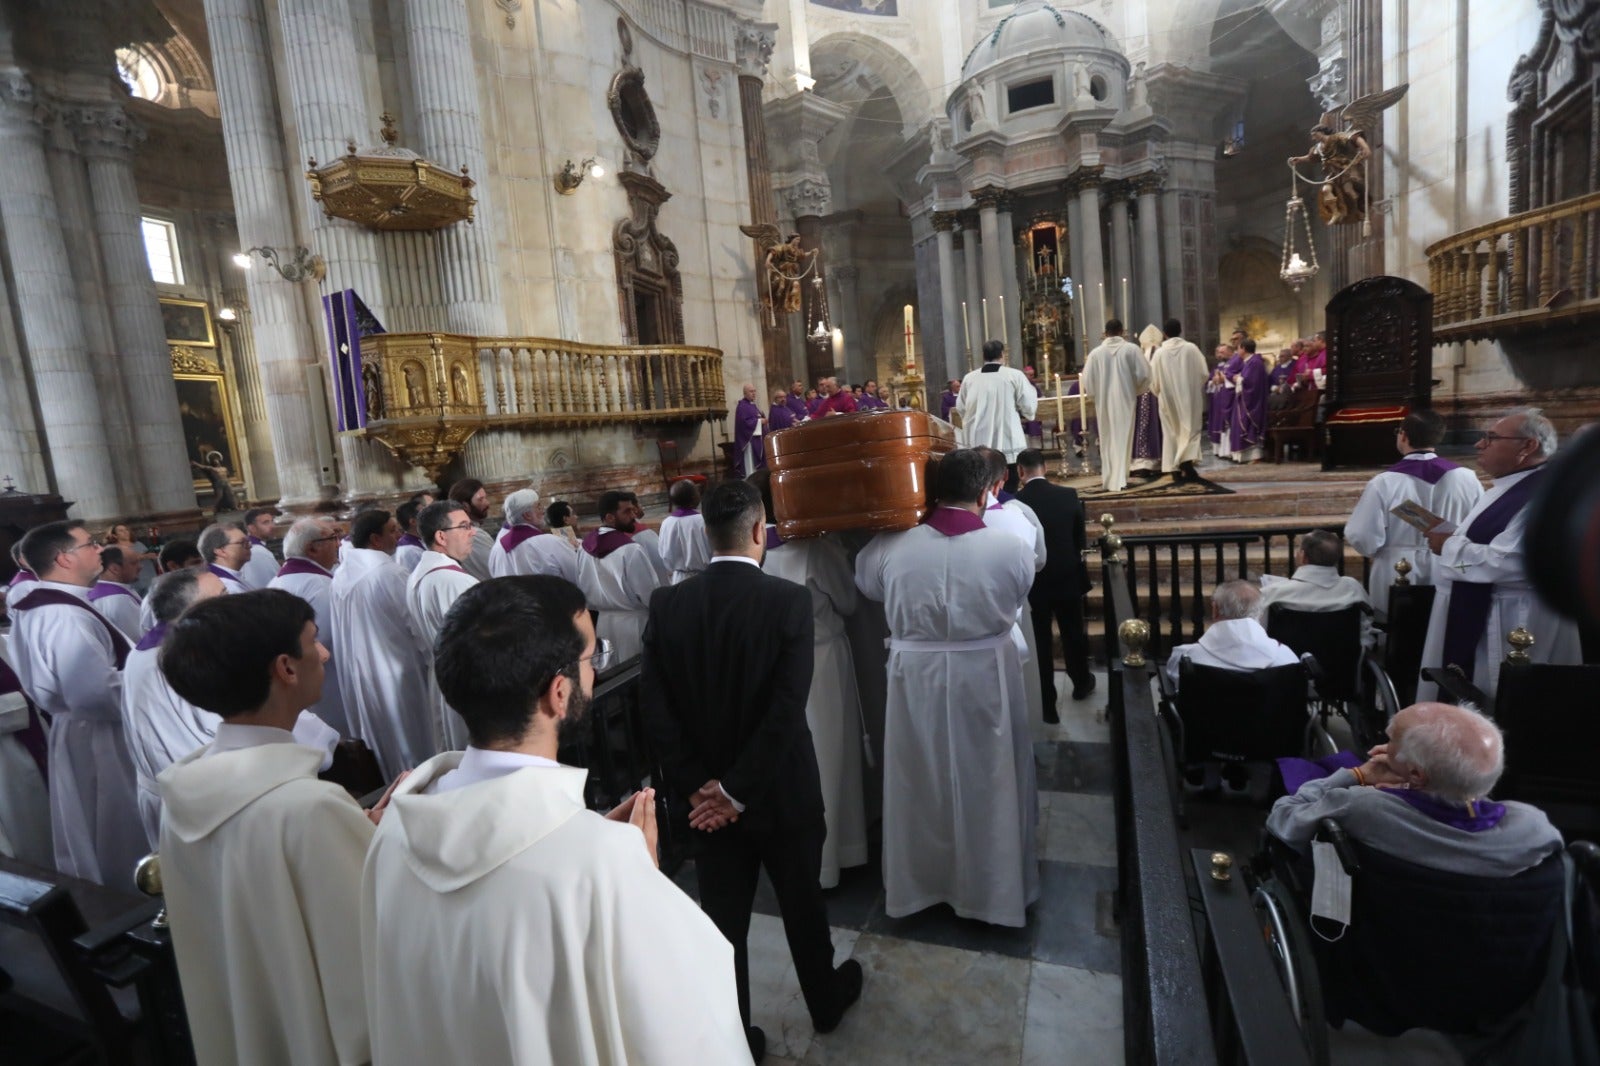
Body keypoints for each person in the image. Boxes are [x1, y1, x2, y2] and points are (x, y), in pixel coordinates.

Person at [364, 576, 749, 1066]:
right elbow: (692, 1027)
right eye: (593, 658)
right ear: (559, 692)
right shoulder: (604, 863)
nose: (596, 671)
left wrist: (588, 842)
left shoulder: (393, 831)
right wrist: (639, 879)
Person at [642, 480, 863, 1059]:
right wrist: (736, 790)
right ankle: (825, 1000)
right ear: (760, 531)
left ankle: (737, 1035)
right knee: (802, 903)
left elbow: (657, 711)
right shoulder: (786, 601)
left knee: (723, 924)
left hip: (702, 804)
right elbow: (786, 710)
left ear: (706, 534)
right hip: (780, 789)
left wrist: (700, 789)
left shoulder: (668, 605)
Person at [157, 589, 390, 1066]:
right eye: (314, 640)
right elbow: (367, 976)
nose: (324, 653)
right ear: (286, 668)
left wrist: (356, 831)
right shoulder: (306, 808)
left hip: (248, 1028)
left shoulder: (190, 787)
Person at [855, 449, 1038, 926]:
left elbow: (868, 586)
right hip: (986, 678)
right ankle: (993, 892)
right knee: (990, 778)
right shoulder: (1012, 548)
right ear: (986, 492)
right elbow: (1018, 596)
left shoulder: (889, 547)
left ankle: (922, 886)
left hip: (917, 680)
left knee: (921, 777)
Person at [124, 568, 339, 847]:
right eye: (223, 596)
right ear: (198, 611)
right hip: (228, 798)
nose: (233, 600)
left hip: (183, 792)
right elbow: (248, 718)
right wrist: (323, 742)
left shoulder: (144, 652)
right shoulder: (203, 658)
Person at [1266, 701, 1562, 876]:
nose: (1383, 746)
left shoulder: (1363, 807)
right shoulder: (1533, 830)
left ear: (1417, 775)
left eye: (1391, 740)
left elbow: (1283, 818)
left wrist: (1357, 774)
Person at [10, 521, 142, 889]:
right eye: (90, 544)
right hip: (101, 734)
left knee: (95, 821)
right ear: (63, 558)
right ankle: (132, 899)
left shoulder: (47, 605)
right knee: (118, 827)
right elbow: (92, 693)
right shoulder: (64, 615)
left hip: (83, 729)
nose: (100, 549)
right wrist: (154, 686)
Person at [1417, 409, 1581, 702]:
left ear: (1527, 446)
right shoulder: (1506, 489)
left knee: (1501, 702)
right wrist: (1456, 539)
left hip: (1513, 619)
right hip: (1486, 606)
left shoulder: (1541, 497)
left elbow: (1509, 561)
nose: (1479, 445)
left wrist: (1449, 547)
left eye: (1491, 438)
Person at [758, 474, 869, 891]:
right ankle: (835, 854)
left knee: (786, 757)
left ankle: (792, 854)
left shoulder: (750, 549)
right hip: (820, 660)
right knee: (828, 752)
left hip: (770, 664)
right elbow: (848, 601)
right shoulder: (814, 550)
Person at [1344, 409, 1484, 615]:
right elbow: (1479, 527)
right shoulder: (1467, 478)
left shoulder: (1384, 483)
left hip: (1397, 568)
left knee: (1397, 634)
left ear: (1403, 435)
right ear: (1438, 436)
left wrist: (1379, 550)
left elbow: (1362, 536)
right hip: (1448, 564)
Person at [330, 509, 436, 778]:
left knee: (387, 741)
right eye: (392, 530)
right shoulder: (389, 573)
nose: (399, 534)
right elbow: (415, 624)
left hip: (363, 673)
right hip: (401, 671)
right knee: (415, 738)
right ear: (375, 539)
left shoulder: (342, 574)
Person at [1015, 450, 1095, 718]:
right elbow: (1078, 539)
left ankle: (1046, 701)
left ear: (1020, 471)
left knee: (1040, 640)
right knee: (1073, 633)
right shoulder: (1067, 495)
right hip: (1067, 577)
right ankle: (1081, 683)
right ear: (1045, 467)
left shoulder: (1016, 502)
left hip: (1035, 582)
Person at [975, 447, 1049, 726]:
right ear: (1004, 476)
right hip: (1012, 614)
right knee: (1018, 701)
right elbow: (1039, 561)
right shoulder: (1019, 513)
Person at [407, 500, 481, 751]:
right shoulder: (453, 581)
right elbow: (480, 645)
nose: (473, 532)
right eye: (464, 526)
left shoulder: (419, 574)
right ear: (441, 536)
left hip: (443, 677)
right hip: (469, 684)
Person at [268, 517, 350, 736]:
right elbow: (328, 645)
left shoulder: (276, 582)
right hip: (327, 683)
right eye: (333, 538)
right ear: (313, 548)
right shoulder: (320, 585)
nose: (339, 543)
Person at [579, 490, 668, 662]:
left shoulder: (584, 548)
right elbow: (650, 594)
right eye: (627, 511)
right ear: (610, 517)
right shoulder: (631, 550)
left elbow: (582, 584)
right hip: (635, 624)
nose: (634, 515)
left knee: (611, 676)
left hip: (603, 624)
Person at [1165, 579, 1299, 689]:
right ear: (1260, 613)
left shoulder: (1186, 658)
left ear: (1215, 610)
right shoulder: (1286, 659)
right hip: (1272, 722)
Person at [1258, 529, 1375, 647]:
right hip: (1344, 662)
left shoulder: (1273, 593)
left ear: (1303, 556)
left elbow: (1257, 632)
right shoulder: (1352, 588)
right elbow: (1367, 625)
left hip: (1289, 663)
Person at [956, 340, 1038, 492]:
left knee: (982, 487)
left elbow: (961, 408)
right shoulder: (1014, 375)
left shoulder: (969, 378)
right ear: (1002, 355)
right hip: (1008, 443)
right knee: (1009, 488)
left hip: (978, 444)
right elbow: (1028, 406)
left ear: (983, 356)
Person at [1080, 319, 1151, 493]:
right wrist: (1135, 390)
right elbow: (1144, 375)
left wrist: (1096, 394)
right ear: (1122, 331)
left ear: (1105, 333)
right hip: (1126, 399)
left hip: (1103, 402)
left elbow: (1087, 381)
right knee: (1123, 437)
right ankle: (1119, 479)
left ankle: (1111, 478)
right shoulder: (1132, 350)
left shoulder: (1095, 353)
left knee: (1107, 439)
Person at [1148, 318, 1210, 482]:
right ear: (1181, 330)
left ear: (1164, 334)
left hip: (1167, 400)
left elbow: (1153, 382)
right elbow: (1204, 373)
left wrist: (1158, 393)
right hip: (1189, 398)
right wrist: (1192, 387)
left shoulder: (1159, 353)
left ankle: (1173, 468)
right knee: (1190, 430)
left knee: (1171, 433)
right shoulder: (1191, 349)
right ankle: (1187, 464)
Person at [489, 488, 585, 585]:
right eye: (539, 507)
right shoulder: (550, 543)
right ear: (527, 515)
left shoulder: (497, 549)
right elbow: (579, 574)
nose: (543, 511)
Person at [1289, 123, 1373, 226]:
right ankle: (1336, 213)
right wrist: (1299, 160)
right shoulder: (1318, 147)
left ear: (1321, 132)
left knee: (1349, 191)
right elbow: (1311, 157)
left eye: (1314, 135)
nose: (1313, 138)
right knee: (1326, 190)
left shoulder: (1336, 138)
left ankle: (1358, 208)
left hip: (1345, 169)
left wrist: (1365, 147)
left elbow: (1354, 137)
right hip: (1333, 172)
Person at [88, 545, 146, 643]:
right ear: (114, 569)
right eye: (134, 563)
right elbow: (139, 640)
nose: (140, 566)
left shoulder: (96, 590)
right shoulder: (118, 599)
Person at [657, 479, 711, 585]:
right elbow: (712, 548)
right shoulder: (702, 521)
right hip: (704, 578)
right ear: (694, 498)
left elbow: (663, 553)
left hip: (679, 579)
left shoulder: (666, 523)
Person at [1227, 339, 1270, 463]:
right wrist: (1239, 378)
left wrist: (1237, 378)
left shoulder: (1255, 362)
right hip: (1244, 400)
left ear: (1244, 349)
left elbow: (1252, 383)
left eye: (1239, 348)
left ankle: (1255, 456)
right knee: (1240, 425)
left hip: (1252, 402)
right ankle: (1247, 456)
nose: (1237, 351)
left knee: (1248, 425)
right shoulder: (1249, 362)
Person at [447, 477, 495, 580]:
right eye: (480, 499)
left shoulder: (455, 530)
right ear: (465, 506)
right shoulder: (474, 534)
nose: (487, 503)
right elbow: (495, 567)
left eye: (485, 498)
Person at [198, 521, 253, 592]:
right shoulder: (225, 586)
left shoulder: (228, 577)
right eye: (242, 542)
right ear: (221, 551)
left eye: (248, 542)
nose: (250, 546)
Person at [102, 522, 158, 591]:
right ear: (114, 535)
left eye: (126, 530)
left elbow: (150, 558)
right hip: (129, 584)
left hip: (148, 579)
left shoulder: (138, 544)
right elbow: (119, 561)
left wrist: (153, 557)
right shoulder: (111, 547)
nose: (125, 532)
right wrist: (143, 556)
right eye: (121, 531)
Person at [240, 508, 279, 588]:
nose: (272, 526)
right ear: (252, 528)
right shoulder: (256, 551)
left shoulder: (256, 548)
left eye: (272, 521)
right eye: (266, 523)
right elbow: (268, 584)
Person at [394, 494, 432, 575]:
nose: (429, 516)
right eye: (424, 513)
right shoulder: (409, 550)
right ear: (413, 521)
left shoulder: (420, 539)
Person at [734, 382, 766, 477]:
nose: (754, 393)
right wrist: (760, 421)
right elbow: (745, 424)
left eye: (754, 391)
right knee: (750, 468)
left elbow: (755, 418)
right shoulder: (742, 406)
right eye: (751, 391)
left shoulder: (752, 405)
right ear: (745, 393)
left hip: (755, 440)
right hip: (748, 443)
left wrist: (761, 420)